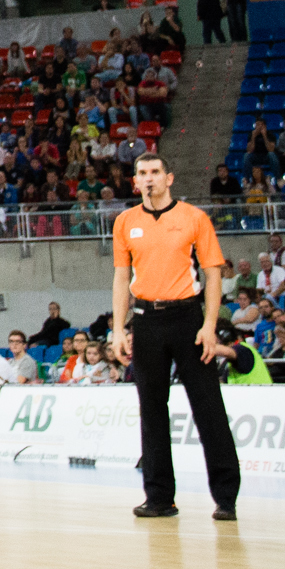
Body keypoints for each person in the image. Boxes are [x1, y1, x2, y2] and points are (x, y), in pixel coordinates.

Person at [109, 154, 241, 522]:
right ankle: (159, 497)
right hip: (145, 320)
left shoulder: (194, 218)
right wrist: (118, 329)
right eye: (142, 174)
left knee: (208, 407)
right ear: (135, 181)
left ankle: (226, 497)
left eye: (155, 173)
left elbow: (212, 275)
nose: (148, 179)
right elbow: (122, 278)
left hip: (187, 318)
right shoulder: (125, 222)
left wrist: (209, 325)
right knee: (151, 411)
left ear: (169, 178)